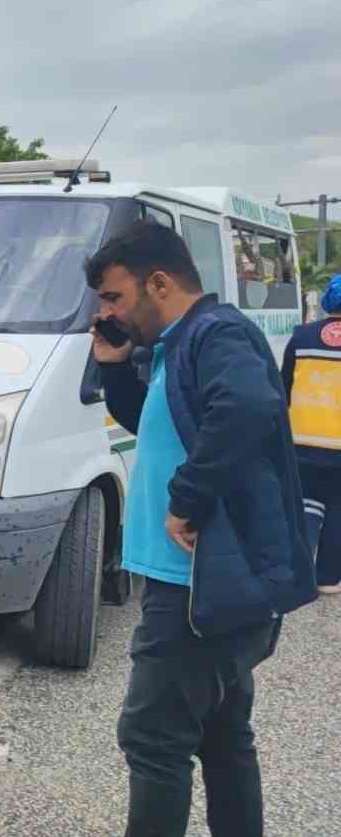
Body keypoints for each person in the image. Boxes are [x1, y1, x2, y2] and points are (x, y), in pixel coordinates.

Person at [87, 219, 315, 837]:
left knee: (152, 737)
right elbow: (161, 422)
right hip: (198, 581)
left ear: (158, 283)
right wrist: (114, 368)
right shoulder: (181, 344)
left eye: (114, 297)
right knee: (221, 733)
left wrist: (186, 498)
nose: (107, 313)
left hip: (196, 584)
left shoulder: (215, 333)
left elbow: (248, 406)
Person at [283, 273, 341, 596]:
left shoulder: (301, 336)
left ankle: (297, 575)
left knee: (307, 503)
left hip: (302, 441)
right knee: (338, 508)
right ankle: (328, 579)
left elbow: (283, 386)